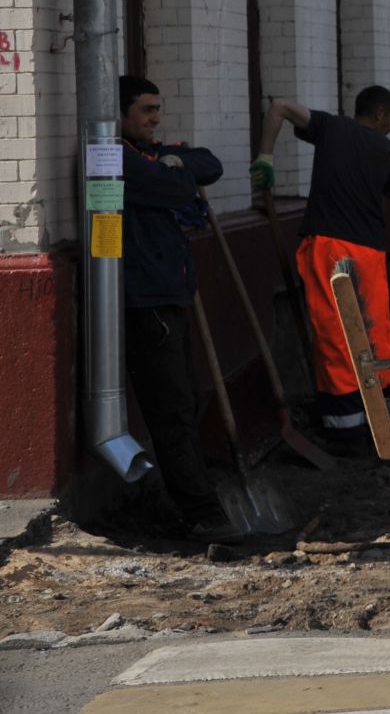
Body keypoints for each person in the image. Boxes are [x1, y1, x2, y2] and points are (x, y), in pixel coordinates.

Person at [250, 87, 390, 448]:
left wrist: (265, 157)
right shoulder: (389, 152)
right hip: (371, 251)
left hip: (331, 247)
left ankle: (344, 430)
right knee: (373, 333)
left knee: (336, 334)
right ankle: (377, 420)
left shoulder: (332, 129)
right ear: (379, 114)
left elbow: (279, 105)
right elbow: (383, 197)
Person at [118, 76, 235, 541]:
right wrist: (174, 171)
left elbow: (210, 164)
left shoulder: (148, 154)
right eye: (146, 109)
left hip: (171, 296)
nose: (155, 117)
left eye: (157, 108)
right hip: (146, 302)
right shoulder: (116, 158)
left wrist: (173, 161)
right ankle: (201, 513)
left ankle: (198, 492)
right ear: (120, 114)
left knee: (187, 398)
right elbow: (177, 189)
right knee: (172, 407)